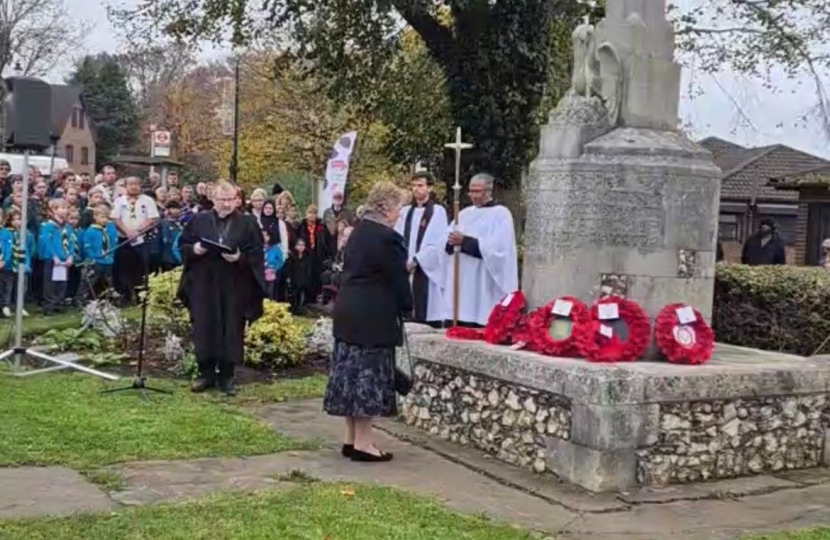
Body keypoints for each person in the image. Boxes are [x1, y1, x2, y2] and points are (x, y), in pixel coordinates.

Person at [323, 182, 411, 463]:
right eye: (398, 208)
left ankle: (350, 439)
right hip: (373, 318)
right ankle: (364, 444)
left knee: (349, 376)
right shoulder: (387, 238)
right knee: (367, 380)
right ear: (385, 208)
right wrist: (408, 306)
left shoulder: (359, 230)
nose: (399, 214)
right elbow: (398, 281)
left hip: (348, 312)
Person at [178, 180, 266, 396]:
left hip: (234, 284)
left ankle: (227, 376)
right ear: (213, 199)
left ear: (237, 200)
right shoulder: (199, 220)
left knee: (231, 327)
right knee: (205, 325)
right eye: (222, 200)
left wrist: (239, 257)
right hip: (204, 282)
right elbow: (183, 245)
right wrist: (194, 250)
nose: (226, 204)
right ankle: (206, 374)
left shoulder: (248, 223)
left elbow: (256, 253)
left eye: (230, 200)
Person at [436, 173, 518, 327]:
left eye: (477, 191)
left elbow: (499, 248)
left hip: (482, 280)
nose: (473, 196)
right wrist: (450, 242)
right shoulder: (463, 214)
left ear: (489, 191)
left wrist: (465, 242)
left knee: (479, 313)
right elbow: (445, 240)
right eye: (471, 191)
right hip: (460, 280)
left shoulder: (500, 214)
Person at [395, 172, 448, 326]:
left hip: (425, 269)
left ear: (429, 188)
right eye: (413, 186)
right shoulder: (405, 212)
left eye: (420, 185)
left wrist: (417, 260)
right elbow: (397, 237)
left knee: (426, 307)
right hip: (405, 266)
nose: (416, 189)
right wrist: (402, 260)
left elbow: (437, 242)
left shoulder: (438, 211)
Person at [111, 177, 160, 302]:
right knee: (123, 267)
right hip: (124, 239)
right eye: (131, 184)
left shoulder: (148, 200)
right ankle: (125, 295)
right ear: (126, 186)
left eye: (137, 184)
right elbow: (116, 218)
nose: (134, 187)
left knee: (142, 267)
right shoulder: (119, 201)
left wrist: (138, 231)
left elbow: (152, 218)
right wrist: (127, 232)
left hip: (142, 239)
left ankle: (141, 296)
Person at [77, 205, 118, 303]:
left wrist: (111, 255)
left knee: (108, 280)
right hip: (95, 260)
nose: (105, 220)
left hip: (107, 260)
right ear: (95, 217)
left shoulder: (108, 229)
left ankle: (108, 298)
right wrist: (92, 257)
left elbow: (113, 242)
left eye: (107, 217)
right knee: (90, 280)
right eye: (102, 217)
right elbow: (87, 246)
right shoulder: (91, 231)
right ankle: (81, 299)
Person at [41, 199, 73, 314]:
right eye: (62, 208)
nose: (65, 211)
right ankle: (49, 304)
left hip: (64, 258)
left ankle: (59, 303)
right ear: (54, 210)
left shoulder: (67, 227)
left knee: (62, 281)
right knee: (50, 282)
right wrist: (54, 256)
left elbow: (70, 241)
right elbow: (46, 242)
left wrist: (70, 256)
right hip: (53, 258)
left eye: (66, 208)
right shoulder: (48, 226)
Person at [0, 209, 33, 317]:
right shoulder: (5, 233)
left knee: (22, 287)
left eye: (19, 219)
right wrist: (4, 260)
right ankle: (6, 306)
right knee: (7, 287)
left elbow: (29, 249)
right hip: (8, 266)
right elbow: (4, 249)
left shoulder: (26, 234)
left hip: (21, 264)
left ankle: (20, 306)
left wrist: (27, 263)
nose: (17, 222)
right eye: (14, 219)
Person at [297, 204, 328, 303]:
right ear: (306, 214)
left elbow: (326, 240)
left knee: (316, 277)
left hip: (317, 254)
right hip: (305, 254)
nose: (312, 215)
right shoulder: (301, 226)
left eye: (314, 213)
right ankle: (305, 301)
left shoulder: (321, 226)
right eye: (310, 213)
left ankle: (313, 300)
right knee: (306, 277)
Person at [288, 238, 315, 313]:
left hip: (303, 280)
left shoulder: (307, 256)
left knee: (301, 295)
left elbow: (308, 269)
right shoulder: (291, 256)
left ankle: (300, 308)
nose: (301, 247)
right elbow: (289, 269)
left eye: (303, 245)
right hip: (293, 280)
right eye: (299, 245)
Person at [160, 202, 184, 271]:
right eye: (173, 208)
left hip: (179, 254)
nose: (177, 211)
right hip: (169, 257)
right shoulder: (164, 223)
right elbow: (166, 240)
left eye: (178, 208)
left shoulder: (180, 223)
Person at [263, 228, 284, 300]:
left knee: (269, 293)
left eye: (266, 235)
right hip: (258, 273)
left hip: (270, 273)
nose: (264, 237)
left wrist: (274, 268)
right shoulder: (257, 247)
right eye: (262, 235)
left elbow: (280, 261)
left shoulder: (275, 248)